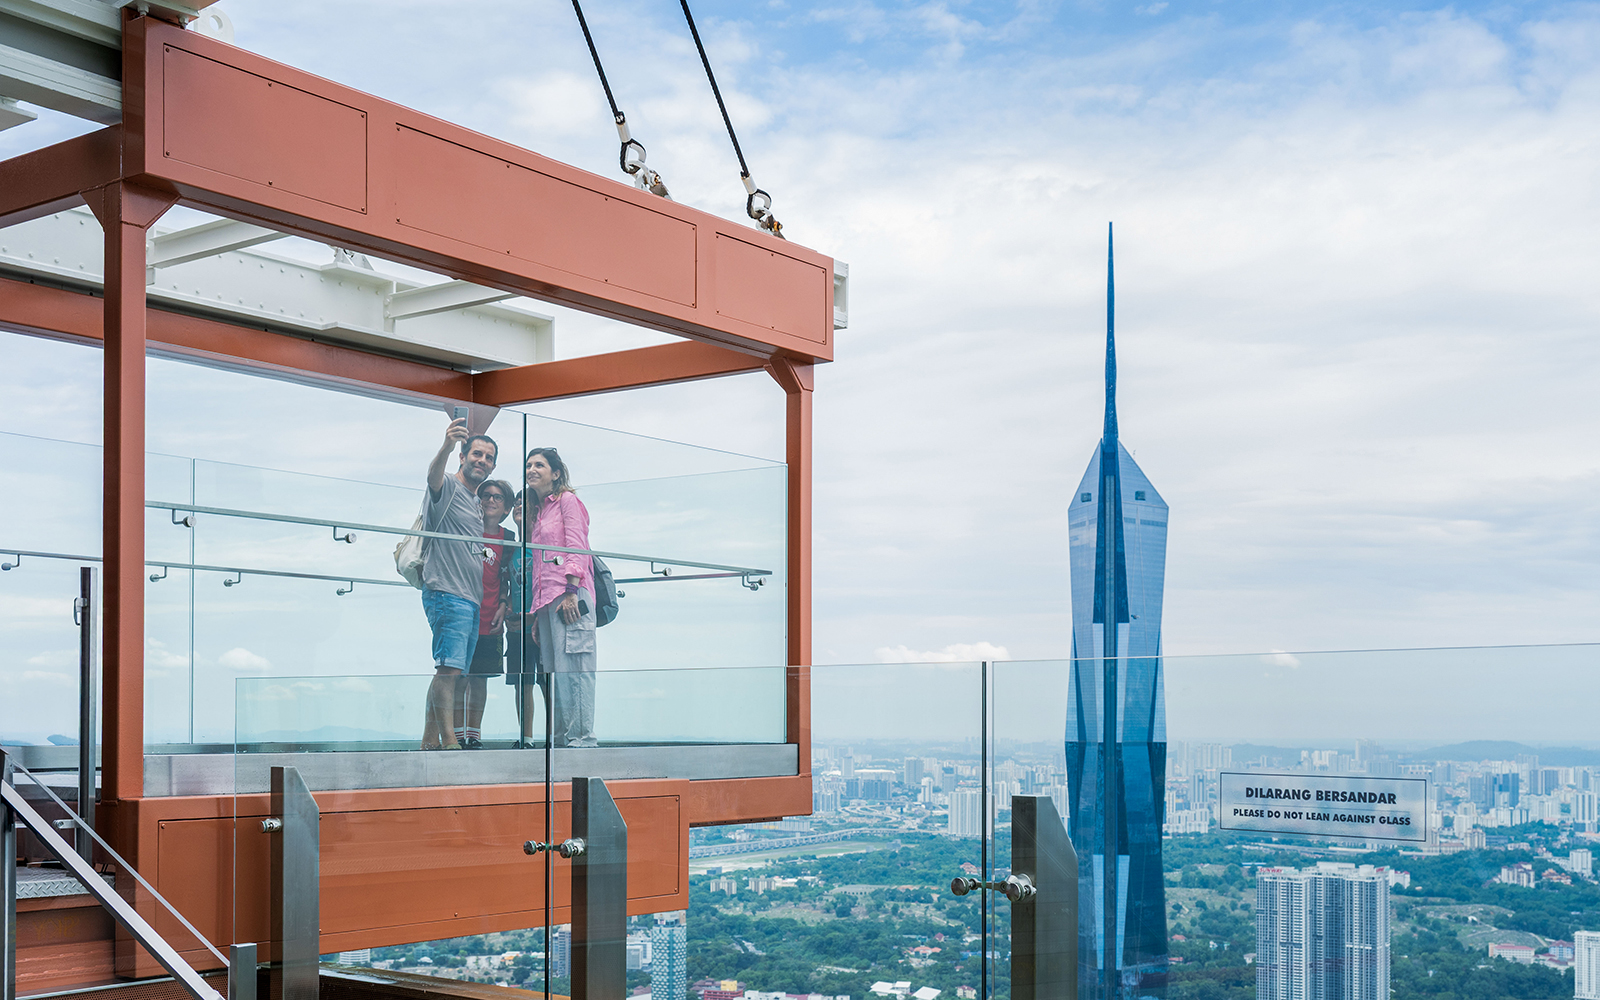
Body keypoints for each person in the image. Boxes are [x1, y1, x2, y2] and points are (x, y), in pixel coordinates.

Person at [419, 416, 497, 750]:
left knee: (449, 671)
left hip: (468, 598)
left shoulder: (476, 503)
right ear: (464, 457)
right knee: (450, 671)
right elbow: (432, 477)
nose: (482, 461)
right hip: (447, 591)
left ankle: (429, 739)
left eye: (488, 458)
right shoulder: (450, 485)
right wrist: (447, 445)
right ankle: (449, 740)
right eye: (476, 454)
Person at [523, 447, 597, 747]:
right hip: (548, 603)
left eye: (539, 465)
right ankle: (565, 743)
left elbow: (576, 546)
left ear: (555, 473)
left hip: (570, 595)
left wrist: (570, 591)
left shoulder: (567, 501)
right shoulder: (540, 512)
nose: (532, 470)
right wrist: (537, 614)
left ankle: (583, 741)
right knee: (557, 676)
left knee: (577, 672)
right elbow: (540, 565)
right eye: (528, 465)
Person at [454, 478, 514, 749]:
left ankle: (473, 735)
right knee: (458, 677)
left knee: (480, 678)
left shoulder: (509, 539)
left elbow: (509, 577)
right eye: (486, 495)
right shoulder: (468, 529)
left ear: (506, 507)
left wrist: (503, 604)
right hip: (464, 610)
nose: (490, 500)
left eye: (497, 497)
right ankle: (455, 735)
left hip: (491, 615)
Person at [503, 490, 543, 748]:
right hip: (516, 627)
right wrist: (506, 606)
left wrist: (534, 616)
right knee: (522, 682)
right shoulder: (511, 550)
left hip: (541, 626)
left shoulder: (543, 544)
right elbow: (505, 585)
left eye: (525, 502)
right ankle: (526, 738)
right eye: (517, 502)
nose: (519, 506)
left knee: (546, 681)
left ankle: (554, 736)